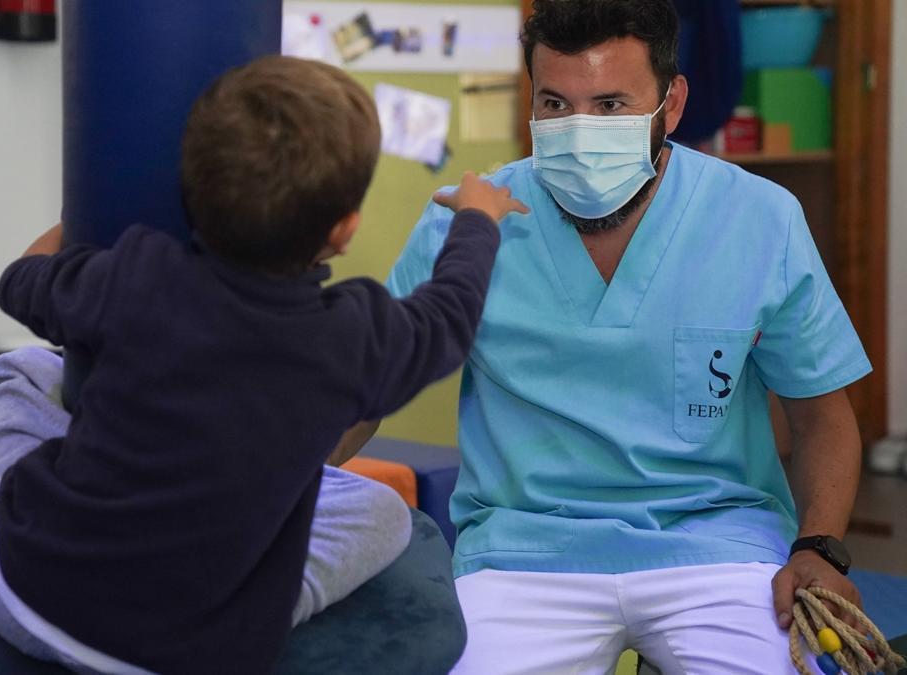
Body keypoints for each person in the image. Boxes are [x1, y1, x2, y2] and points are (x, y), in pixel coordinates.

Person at [0, 55, 528, 674]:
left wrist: (93, 211)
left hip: (28, 599)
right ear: (344, 230)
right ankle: (266, 605)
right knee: (388, 513)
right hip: (202, 653)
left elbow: (20, 281)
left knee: (22, 368)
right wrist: (479, 217)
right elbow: (449, 316)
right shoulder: (353, 336)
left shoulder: (134, 274)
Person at [357, 1, 871, 672]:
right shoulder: (468, 220)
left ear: (673, 102)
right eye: (555, 103)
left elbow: (823, 419)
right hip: (525, 550)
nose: (579, 129)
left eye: (609, 105)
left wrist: (819, 545)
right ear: (532, 104)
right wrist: (267, 497)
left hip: (717, 544)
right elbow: (365, 387)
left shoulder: (758, 218)